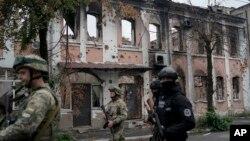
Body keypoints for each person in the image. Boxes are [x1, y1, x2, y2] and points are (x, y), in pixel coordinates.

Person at [0, 54, 60, 141]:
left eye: (23, 73)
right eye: (19, 73)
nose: (20, 77)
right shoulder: (34, 93)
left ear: (36, 72)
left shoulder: (41, 96)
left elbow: (23, 128)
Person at [155, 67, 195, 141]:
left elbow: (189, 122)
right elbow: (160, 116)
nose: (164, 81)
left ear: (173, 80)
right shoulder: (162, 98)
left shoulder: (180, 99)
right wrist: (152, 118)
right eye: (162, 79)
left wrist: (168, 131)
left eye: (167, 79)